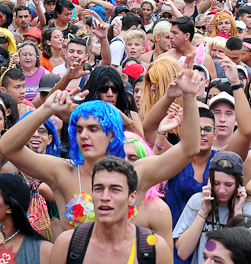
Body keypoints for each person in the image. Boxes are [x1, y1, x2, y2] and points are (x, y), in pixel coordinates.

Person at [0, 55, 201, 230]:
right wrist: (46, 109)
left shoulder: (136, 173)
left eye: (93, 129)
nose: (84, 135)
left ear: (112, 135)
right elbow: (7, 147)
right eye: (79, 129)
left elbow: (188, 149)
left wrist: (189, 95)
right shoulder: (62, 172)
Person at [45, 157, 172, 264]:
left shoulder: (157, 247)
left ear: (132, 197)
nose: (105, 197)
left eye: (115, 190)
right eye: (98, 189)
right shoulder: (67, 242)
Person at [173, 151, 251, 264]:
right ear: (209, 181)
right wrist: (203, 212)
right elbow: (183, 252)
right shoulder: (198, 201)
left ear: (239, 184)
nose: (221, 190)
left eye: (228, 185)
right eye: (216, 183)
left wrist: (238, 213)